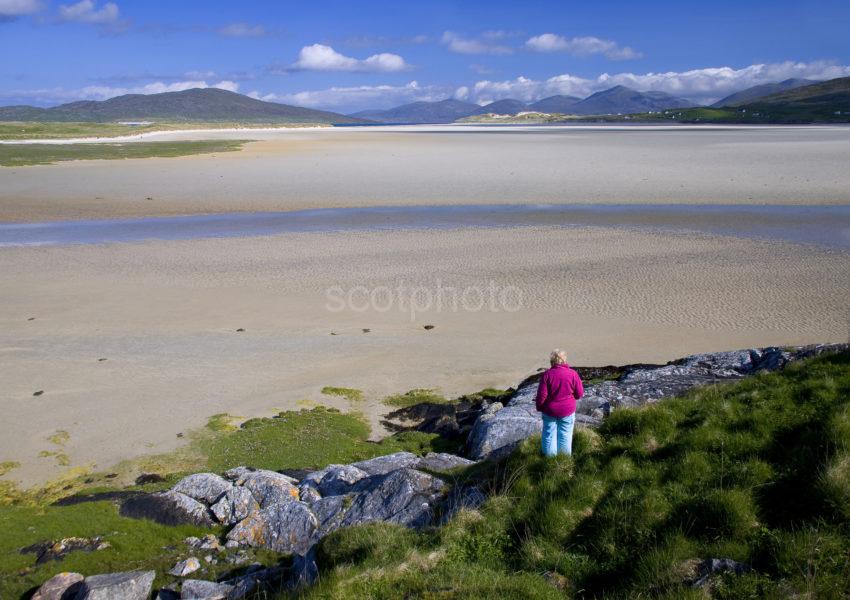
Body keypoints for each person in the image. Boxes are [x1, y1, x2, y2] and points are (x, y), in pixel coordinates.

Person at [535, 349, 584, 456]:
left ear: (552, 361)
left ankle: (550, 462)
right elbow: (579, 394)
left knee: (549, 436)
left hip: (550, 411)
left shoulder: (547, 375)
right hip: (567, 410)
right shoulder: (573, 374)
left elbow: (541, 396)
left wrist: (539, 407)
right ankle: (564, 461)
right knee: (565, 435)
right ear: (564, 360)